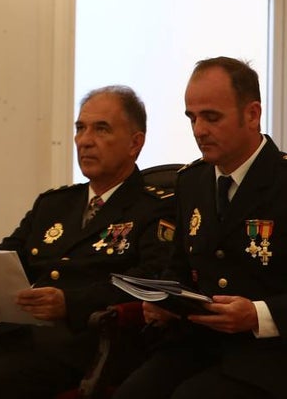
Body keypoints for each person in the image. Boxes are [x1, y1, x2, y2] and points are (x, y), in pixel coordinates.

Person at [0, 86, 176, 399]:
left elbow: (150, 281)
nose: (85, 140)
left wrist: (69, 303)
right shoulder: (55, 204)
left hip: (90, 343)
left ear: (135, 143)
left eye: (101, 129)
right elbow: (5, 256)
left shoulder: (156, 208)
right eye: (80, 128)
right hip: (24, 335)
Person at [112, 57, 287, 399]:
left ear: (252, 114)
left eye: (212, 117)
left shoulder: (282, 182)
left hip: (270, 354)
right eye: (192, 117)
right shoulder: (192, 181)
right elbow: (179, 266)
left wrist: (258, 314)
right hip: (199, 344)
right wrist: (162, 302)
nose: (198, 130)